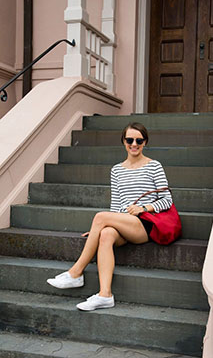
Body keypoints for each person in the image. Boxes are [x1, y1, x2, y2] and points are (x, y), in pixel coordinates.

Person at [47, 122, 172, 311]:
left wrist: (144, 208)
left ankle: (76, 272)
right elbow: (115, 205)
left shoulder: (154, 166)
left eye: (139, 140)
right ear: (123, 141)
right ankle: (105, 295)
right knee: (105, 234)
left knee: (100, 217)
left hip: (145, 223)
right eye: (130, 140)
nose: (134, 144)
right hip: (123, 222)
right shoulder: (116, 170)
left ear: (145, 142)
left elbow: (167, 199)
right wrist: (97, 230)